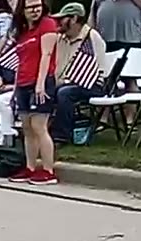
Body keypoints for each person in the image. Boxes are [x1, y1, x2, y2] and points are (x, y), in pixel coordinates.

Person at [10, 0, 61, 185]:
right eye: (30, 7)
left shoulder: (47, 25)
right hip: (23, 82)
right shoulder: (23, 32)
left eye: (37, 6)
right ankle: (30, 167)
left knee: (40, 126)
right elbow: (20, 61)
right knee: (27, 128)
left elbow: (46, 55)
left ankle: (48, 170)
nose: (34, 10)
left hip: (40, 81)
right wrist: (16, 88)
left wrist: (40, 84)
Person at [52, 2, 107, 144]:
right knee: (44, 88)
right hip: (62, 82)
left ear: (74, 18)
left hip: (90, 84)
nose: (58, 22)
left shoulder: (92, 38)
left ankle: (61, 136)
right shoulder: (59, 38)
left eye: (62, 19)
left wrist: (67, 80)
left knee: (64, 93)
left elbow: (99, 70)